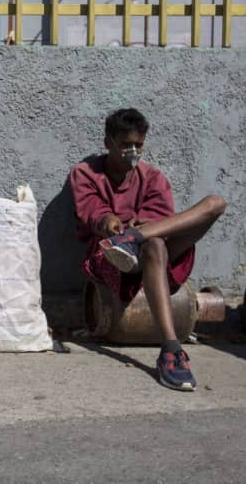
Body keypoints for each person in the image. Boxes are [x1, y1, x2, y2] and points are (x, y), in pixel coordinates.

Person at [70, 108, 226, 392]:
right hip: (110, 254)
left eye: (138, 145)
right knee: (149, 244)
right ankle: (172, 348)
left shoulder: (153, 177)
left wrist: (144, 227)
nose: (132, 151)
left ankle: (135, 236)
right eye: (126, 144)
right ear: (108, 143)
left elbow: (163, 216)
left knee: (214, 204)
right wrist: (108, 222)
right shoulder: (86, 173)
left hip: (155, 250)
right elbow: (91, 211)